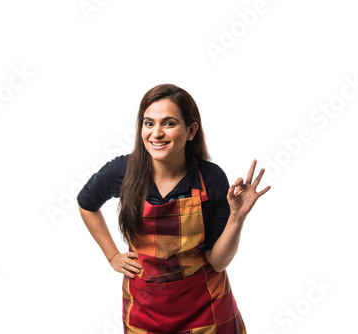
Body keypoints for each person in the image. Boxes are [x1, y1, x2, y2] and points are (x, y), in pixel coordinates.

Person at [77, 83, 270, 333]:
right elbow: (86, 203)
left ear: (191, 131)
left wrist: (237, 216)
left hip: (205, 308)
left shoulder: (210, 178)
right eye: (149, 123)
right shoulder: (122, 172)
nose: (156, 133)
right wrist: (112, 255)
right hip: (145, 309)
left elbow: (218, 261)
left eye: (168, 123)